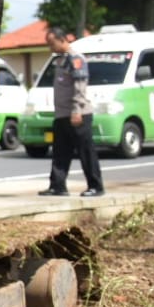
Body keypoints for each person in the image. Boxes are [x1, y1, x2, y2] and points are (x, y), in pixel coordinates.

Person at [40, 25, 105, 198]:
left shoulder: (76, 59)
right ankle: (58, 186)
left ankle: (95, 186)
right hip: (62, 115)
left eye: (52, 43)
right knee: (60, 151)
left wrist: (76, 110)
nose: (50, 48)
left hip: (78, 114)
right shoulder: (60, 60)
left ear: (63, 40)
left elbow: (80, 87)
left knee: (86, 151)